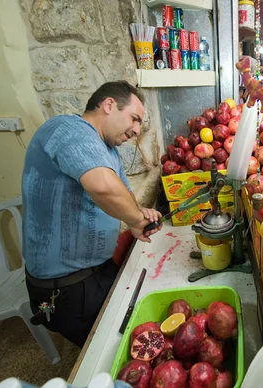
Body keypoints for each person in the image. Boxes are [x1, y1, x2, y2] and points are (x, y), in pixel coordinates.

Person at [21, 81, 162, 347]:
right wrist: (135, 219)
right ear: (108, 105)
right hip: (65, 287)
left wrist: (136, 216)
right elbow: (103, 188)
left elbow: (122, 191)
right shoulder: (69, 130)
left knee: (125, 333)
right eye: (134, 119)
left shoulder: (106, 149)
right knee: (107, 350)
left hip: (95, 271)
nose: (136, 130)